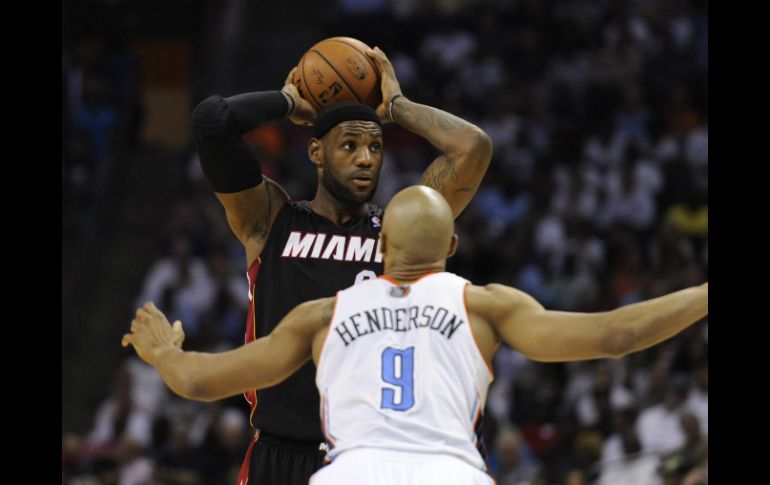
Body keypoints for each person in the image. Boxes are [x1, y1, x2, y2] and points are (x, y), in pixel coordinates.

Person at [123, 186, 709, 485]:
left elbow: (200, 380)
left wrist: (163, 352)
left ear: (381, 248)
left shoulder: (324, 314)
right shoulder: (484, 305)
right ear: (451, 249)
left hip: (349, 472)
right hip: (450, 472)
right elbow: (616, 334)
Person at [189, 45, 493, 484]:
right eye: (349, 145)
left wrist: (398, 107)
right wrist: (289, 101)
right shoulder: (270, 220)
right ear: (315, 151)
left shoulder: (401, 233)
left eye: (374, 146)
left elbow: (473, 147)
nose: (366, 159)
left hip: (364, 459)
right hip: (277, 453)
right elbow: (211, 123)